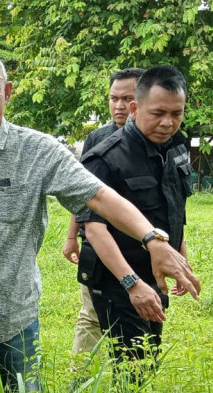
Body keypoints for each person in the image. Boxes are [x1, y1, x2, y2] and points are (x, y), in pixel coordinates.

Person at [0, 50, 200, 393]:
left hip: (16, 312)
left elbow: (100, 196)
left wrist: (152, 239)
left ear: (8, 92)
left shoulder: (39, 151)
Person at [79, 65, 192, 365]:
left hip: (155, 276)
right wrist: (133, 284)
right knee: (133, 367)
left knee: (148, 357)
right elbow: (94, 230)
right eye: (158, 113)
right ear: (134, 107)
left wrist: (179, 257)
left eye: (176, 114)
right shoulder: (105, 158)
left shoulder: (176, 149)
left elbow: (175, 208)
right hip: (119, 279)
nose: (168, 123)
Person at [63, 68, 144, 357]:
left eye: (127, 98)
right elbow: (82, 193)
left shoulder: (156, 141)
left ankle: (131, 380)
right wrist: (72, 237)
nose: (119, 106)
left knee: (138, 314)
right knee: (91, 313)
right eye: (113, 98)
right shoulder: (97, 140)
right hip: (97, 242)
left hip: (139, 246)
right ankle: (81, 382)